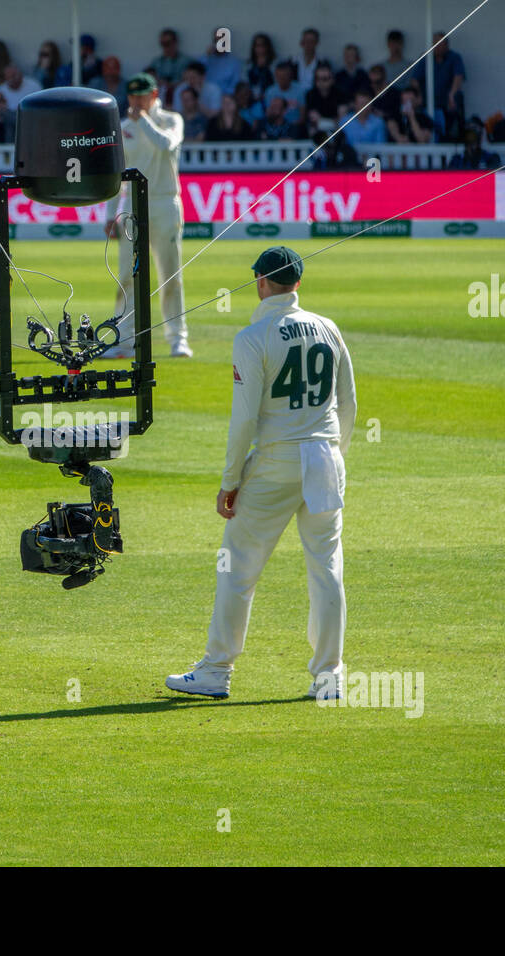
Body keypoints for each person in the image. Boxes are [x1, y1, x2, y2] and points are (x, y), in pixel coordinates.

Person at [165, 247, 355, 701]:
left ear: (261, 282)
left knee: (237, 566)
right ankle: (329, 677)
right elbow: (347, 404)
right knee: (327, 568)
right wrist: (334, 456)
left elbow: (244, 419)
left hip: (277, 461)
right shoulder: (328, 328)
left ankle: (216, 670)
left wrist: (229, 481)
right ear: (298, 283)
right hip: (326, 457)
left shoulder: (252, 337)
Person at [103, 74, 191, 359]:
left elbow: (165, 144)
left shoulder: (171, 120)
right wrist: (110, 214)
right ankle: (125, 341)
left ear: (154, 95)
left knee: (170, 274)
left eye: (142, 95)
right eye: (132, 96)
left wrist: (142, 120)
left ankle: (178, 339)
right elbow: (117, 175)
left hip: (165, 202)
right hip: (132, 206)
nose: (136, 101)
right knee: (127, 276)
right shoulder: (123, 128)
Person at [429, 31, 465, 141]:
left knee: (456, 100)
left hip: (447, 102)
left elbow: (458, 76)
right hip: (429, 102)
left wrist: (452, 94)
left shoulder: (454, 58)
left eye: (441, 44)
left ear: (447, 45)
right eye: (436, 43)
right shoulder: (427, 58)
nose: (438, 47)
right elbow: (415, 79)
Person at [244, 33, 276, 99]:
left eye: (263, 45)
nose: (260, 48)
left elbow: (277, 82)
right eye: (257, 46)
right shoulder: (248, 65)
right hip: (252, 97)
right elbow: (244, 82)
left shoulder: (275, 63)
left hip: (271, 96)